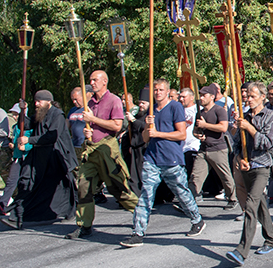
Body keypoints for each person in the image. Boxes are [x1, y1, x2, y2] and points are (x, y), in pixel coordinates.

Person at [120, 79, 205, 247]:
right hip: (152, 159)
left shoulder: (175, 107)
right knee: (145, 195)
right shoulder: (151, 111)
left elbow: (181, 134)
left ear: (167, 92)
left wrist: (158, 133)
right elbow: (146, 138)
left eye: (161, 90)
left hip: (171, 159)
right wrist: (147, 127)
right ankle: (138, 233)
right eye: (155, 90)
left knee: (181, 192)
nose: (157, 92)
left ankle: (197, 219)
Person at [67, 71, 140, 240]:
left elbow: (117, 126)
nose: (92, 83)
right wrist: (88, 131)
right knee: (84, 187)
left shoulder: (113, 100)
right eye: (90, 80)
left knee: (118, 188)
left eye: (95, 80)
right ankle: (84, 225)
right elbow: (92, 124)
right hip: (91, 149)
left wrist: (94, 119)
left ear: (104, 81)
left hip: (107, 148)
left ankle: (141, 213)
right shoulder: (90, 102)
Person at [224, 82, 273, 266]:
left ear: (262, 97)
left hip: (262, 167)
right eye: (247, 96)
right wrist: (240, 157)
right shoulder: (244, 116)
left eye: (252, 96)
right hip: (246, 167)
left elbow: (269, 142)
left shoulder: (271, 117)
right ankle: (271, 239)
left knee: (250, 205)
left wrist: (249, 128)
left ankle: (241, 251)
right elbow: (235, 143)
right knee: (259, 206)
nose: (248, 99)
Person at [4, 90, 77, 229]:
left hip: (55, 157)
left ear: (48, 101)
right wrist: (22, 111)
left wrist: (29, 140)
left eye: (39, 101)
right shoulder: (40, 113)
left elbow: (51, 137)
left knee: (58, 188)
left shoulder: (58, 115)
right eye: (35, 101)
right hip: (39, 156)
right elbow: (26, 124)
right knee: (27, 182)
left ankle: (64, 211)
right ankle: (18, 215)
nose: (36, 104)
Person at [190, 83, 237, 207]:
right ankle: (189, 201)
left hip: (218, 149)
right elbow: (195, 130)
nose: (201, 98)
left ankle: (232, 198)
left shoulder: (219, 110)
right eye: (200, 95)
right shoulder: (200, 113)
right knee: (195, 176)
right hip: (204, 149)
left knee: (225, 176)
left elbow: (223, 127)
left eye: (204, 95)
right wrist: (197, 135)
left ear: (212, 97)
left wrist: (205, 125)